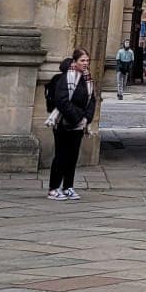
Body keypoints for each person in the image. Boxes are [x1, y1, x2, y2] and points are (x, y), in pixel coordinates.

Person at [43, 48, 96, 202]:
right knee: (61, 156)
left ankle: (68, 187)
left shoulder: (87, 79)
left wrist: (87, 118)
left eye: (87, 60)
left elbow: (92, 99)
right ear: (75, 62)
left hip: (80, 124)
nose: (85, 63)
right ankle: (53, 189)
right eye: (82, 60)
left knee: (73, 156)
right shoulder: (66, 78)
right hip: (64, 123)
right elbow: (62, 100)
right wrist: (77, 117)